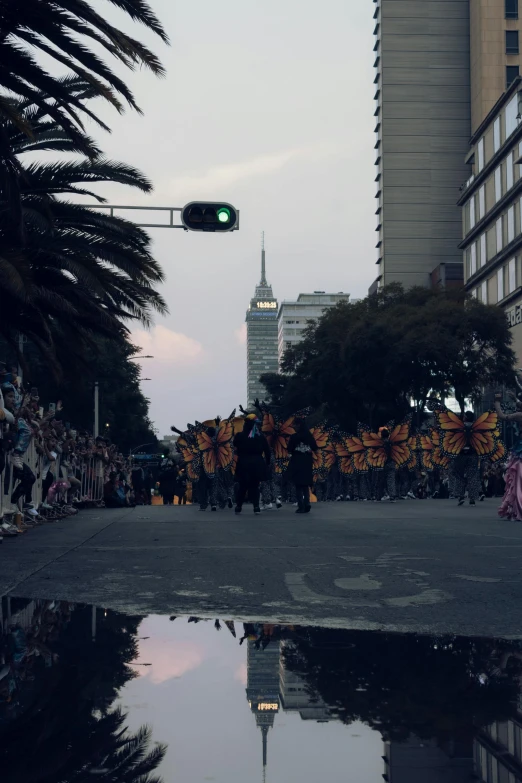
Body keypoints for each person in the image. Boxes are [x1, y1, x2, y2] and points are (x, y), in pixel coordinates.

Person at [233, 415, 271, 514]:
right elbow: (267, 450)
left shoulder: (239, 436)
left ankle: (238, 506)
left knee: (242, 486)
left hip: (243, 463)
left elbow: (235, 445)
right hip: (257, 463)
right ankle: (256, 506)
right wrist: (267, 462)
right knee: (255, 485)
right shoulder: (260, 436)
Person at [495, 391, 522, 520]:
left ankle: (517, 508)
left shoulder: (519, 415)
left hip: (520, 450)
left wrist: (497, 402)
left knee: (518, 480)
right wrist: (515, 398)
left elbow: (502, 416)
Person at [287, 421, 318, 514]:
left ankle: (301, 506)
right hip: (307, 461)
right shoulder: (309, 436)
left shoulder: (294, 437)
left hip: (296, 461)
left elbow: (289, 449)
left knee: (298, 485)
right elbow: (315, 448)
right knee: (306, 484)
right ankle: (307, 503)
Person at [454, 412, 481, 507]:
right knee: (473, 475)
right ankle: (472, 499)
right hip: (473, 453)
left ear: (465, 418)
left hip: (460, 453)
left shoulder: (459, 427)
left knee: (459, 474)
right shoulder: (477, 427)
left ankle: (460, 496)